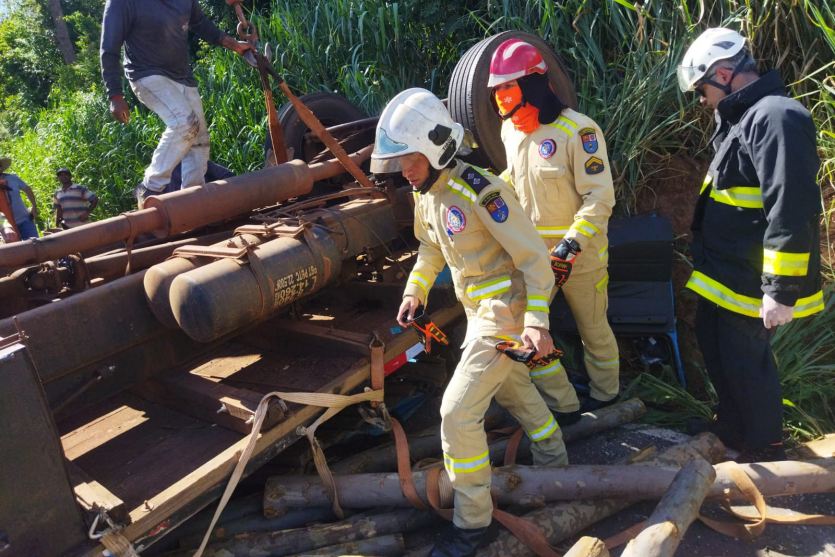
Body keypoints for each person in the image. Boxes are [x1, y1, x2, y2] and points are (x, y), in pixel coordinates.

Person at [372, 88, 568, 556]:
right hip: (478, 314)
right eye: (400, 161)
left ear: (436, 147)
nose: (405, 170)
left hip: (506, 313)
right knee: (513, 390)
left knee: (456, 414)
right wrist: (414, 290)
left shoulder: (483, 193)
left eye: (411, 159)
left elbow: (536, 260)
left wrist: (536, 321)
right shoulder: (427, 195)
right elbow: (431, 248)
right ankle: (557, 462)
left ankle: (472, 522)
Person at [677, 28, 823, 460]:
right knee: (716, 346)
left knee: (746, 363)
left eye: (702, 88)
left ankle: (765, 447)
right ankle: (733, 429)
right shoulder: (747, 117)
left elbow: (791, 206)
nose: (702, 99)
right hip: (725, 273)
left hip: (751, 278)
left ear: (724, 74)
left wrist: (780, 288)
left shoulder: (776, 117)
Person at [487, 39, 619, 417]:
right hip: (534, 260)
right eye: (496, 90)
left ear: (531, 84)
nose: (500, 97)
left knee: (592, 330)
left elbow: (600, 198)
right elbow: (514, 180)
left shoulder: (579, 132)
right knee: (529, 334)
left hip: (580, 257)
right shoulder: (511, 132)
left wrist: (571, 244)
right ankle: (565, 405)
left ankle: (607, 397)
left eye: (507, 87)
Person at [100, 0, 252, 207]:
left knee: (200, 140)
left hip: (182, 77)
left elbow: (201, 24)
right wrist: (115, 95)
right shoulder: (122, 3)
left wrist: (236, 45)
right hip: (146, 75)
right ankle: (150, 187)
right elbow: (109, 48)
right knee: (184, 123)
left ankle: (192, 200)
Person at [0, 156, 40, 240]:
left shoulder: (12, 178)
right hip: (6, 227)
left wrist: (34, 206)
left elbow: (28, 189)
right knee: (15, 251)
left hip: (24, 220)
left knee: (35, 245)